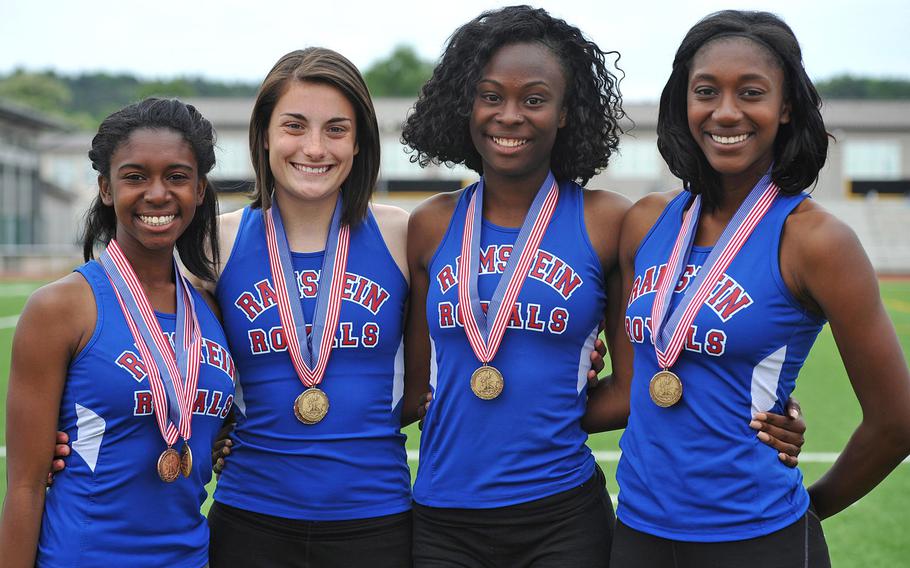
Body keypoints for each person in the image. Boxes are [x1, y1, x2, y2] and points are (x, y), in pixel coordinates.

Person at [400, 6, 804, 567]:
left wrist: (773, 414)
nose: (509, 115)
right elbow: (415, 389)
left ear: (566, 113)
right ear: (464, 104)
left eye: (535, 99)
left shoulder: (611, 222)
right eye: (490, 95)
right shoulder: (428, 225)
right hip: (443, 514)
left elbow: (641, 380)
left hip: (562, 514)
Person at [602, 10, 910, 567]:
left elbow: (897, 420)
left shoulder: (815, 241)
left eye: (751, 92)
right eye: (705, 91)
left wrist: (807, 509)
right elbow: (634, 379)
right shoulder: (646, 221)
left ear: (786, 105)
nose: (725, 112)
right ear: (683, 103)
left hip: (758, 539)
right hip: (638, 534)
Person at [200, 48, 413, 567]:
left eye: (336, 129)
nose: (314, 148)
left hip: (376, 521)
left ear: (359, 142)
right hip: (250, 520)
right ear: (264, 136)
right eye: (294, 126)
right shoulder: (213, 243)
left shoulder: (403, 233)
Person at [0, 98, 235, 567]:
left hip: (190, 556)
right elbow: (25, 489)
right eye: (135, 177)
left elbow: (207, 415)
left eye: (176, 176)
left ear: (200, 189)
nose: (157, 194)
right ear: (106, 188)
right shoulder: (60, 308)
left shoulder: (210, 307)